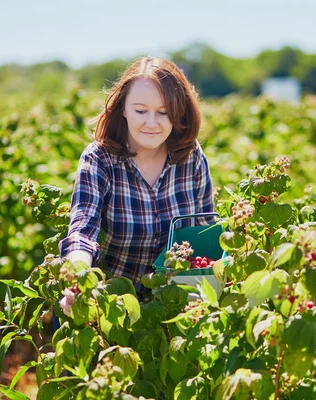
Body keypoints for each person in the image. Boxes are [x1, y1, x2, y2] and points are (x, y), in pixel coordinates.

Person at [59, 56, 215, 297]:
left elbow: (206, 232)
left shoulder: (190, 156)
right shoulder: (100, 159)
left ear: (179, 113)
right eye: (140, 110)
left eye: (163, 112)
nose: (151, 123)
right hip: (113, 305)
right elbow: (82, 231)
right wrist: (79, 279)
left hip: (175, 303)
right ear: (123, 108)